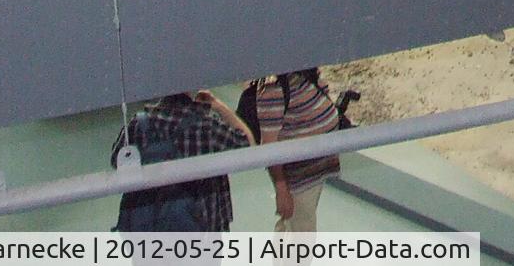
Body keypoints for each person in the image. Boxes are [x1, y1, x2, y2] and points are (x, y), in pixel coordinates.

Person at [110, 90, 252, 232]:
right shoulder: (207, 126)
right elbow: (248, 144)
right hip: (202, 230)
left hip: (149, 228)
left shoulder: (138, 125)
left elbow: (117, 160)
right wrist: (218, 106)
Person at [255, 68, 342, 233]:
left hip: (314, 170)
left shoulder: (303, 73)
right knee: (302, 230)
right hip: (300, 177)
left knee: (294, 226)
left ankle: (284, 257)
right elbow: (269, 147)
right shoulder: (272, 89)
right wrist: (282, 190)